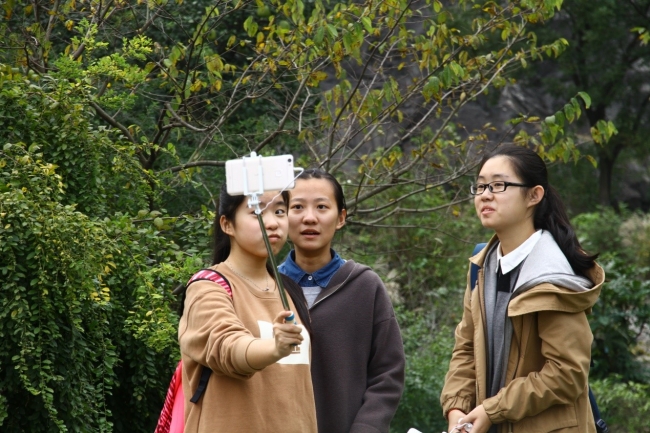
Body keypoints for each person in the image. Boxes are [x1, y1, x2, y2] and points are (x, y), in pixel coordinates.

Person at [440, 145, 605, 433]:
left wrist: (494, 409)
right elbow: (466, 347)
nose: (485, 195)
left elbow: (567, 373)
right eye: (480, 186)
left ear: (534, 195)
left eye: (498, 185)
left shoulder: (551, 276)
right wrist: (457, 407)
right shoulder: (482, 266)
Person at [178, 185, 317, 433]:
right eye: (257, 212)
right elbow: (227, 346)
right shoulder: (207, 287)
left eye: (280, 211)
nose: (272, 223)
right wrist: (274, 348)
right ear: (227, 224)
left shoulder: (290, 291)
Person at [278, 169, 405, 433]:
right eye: (298, 207)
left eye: (322, 207)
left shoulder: (365, 286)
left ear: (341, 218)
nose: (309, 217)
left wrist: (367, 427)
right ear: (282, 216)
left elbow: (388, 373)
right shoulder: (266, 287)